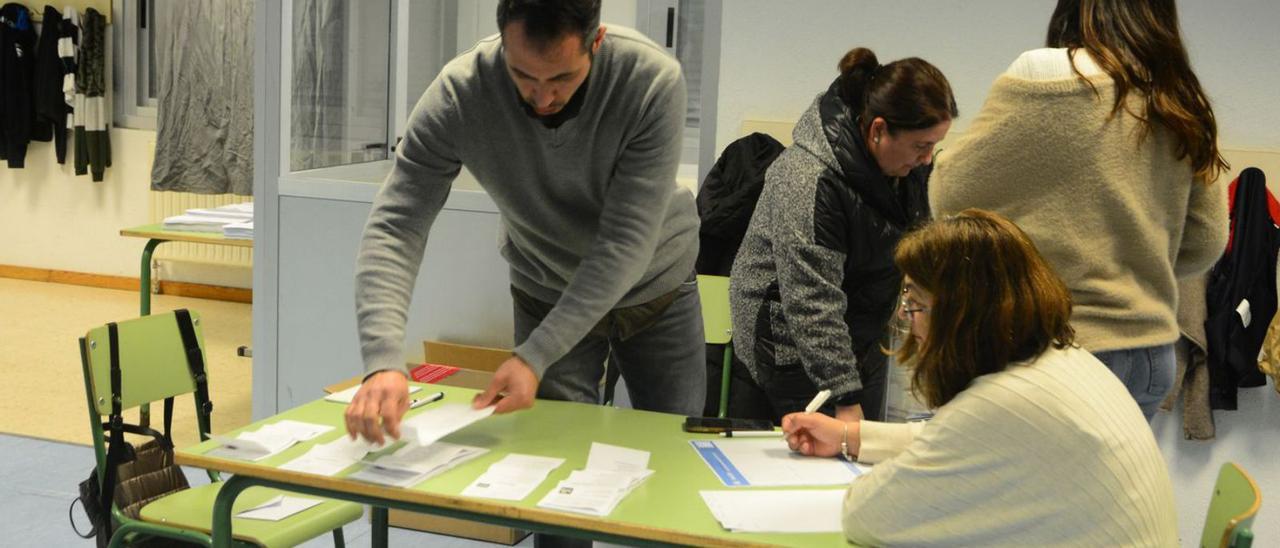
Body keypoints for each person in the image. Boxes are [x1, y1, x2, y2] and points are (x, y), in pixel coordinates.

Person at [345, 0, 704, 447]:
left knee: (672, 448)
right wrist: (382, 360)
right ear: (503, 44)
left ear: (597, 41)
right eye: (523, 76)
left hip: (657, 286)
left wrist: (534, 355)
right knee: (548, 456)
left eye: (562, 78)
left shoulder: (650, 80)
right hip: (547, 287)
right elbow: (396, 225)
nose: (543, 97)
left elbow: (625, 243)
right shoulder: (461, 93)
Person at [783, 209, 1178, 546]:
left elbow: (866, 514)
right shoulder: (1065, 364)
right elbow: (954, 439)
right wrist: (851, 437)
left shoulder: (1001, 402)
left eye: (915, 303)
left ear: (961, 314)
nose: (906, 318)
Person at [931, 0, 1229, 420]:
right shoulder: (1180, 99)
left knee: (1036, 486)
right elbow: (1207, 240)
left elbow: (949, 192)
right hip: (1149, 354)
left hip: (1056, 348)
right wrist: (1134, 261)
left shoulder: (1039, 76)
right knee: (1116, 486)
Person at [729, 47, 956, 424]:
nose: (928, 158)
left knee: (859, 453)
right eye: (921, 145)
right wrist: (843, 395)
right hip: (788, 347)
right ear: (879, 129)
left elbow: (918, 240)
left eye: (934, 145)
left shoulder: (904, 167)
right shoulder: (807, 178)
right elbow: (811, 301)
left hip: (859, 336)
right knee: (826, 459)